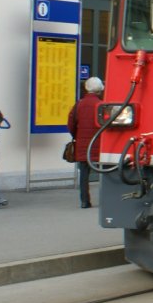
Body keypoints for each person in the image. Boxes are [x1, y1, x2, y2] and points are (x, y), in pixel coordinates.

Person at [68, 76, 103, 208]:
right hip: (99, 144)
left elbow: (71, 124)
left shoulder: (79, 104)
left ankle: (84, 201)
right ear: (100, 90)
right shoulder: (101, 105)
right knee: (104, 173)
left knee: (84, 174)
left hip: (82, 144)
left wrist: (77, 136)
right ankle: (105, 199)